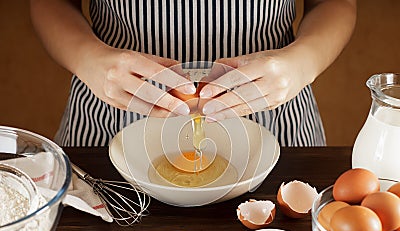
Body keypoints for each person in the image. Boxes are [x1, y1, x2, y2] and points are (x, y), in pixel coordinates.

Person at [30, 0, 356, 147]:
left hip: (275, 123)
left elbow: (336, 3)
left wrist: (302, 62)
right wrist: (88, 58)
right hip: (110, 122)